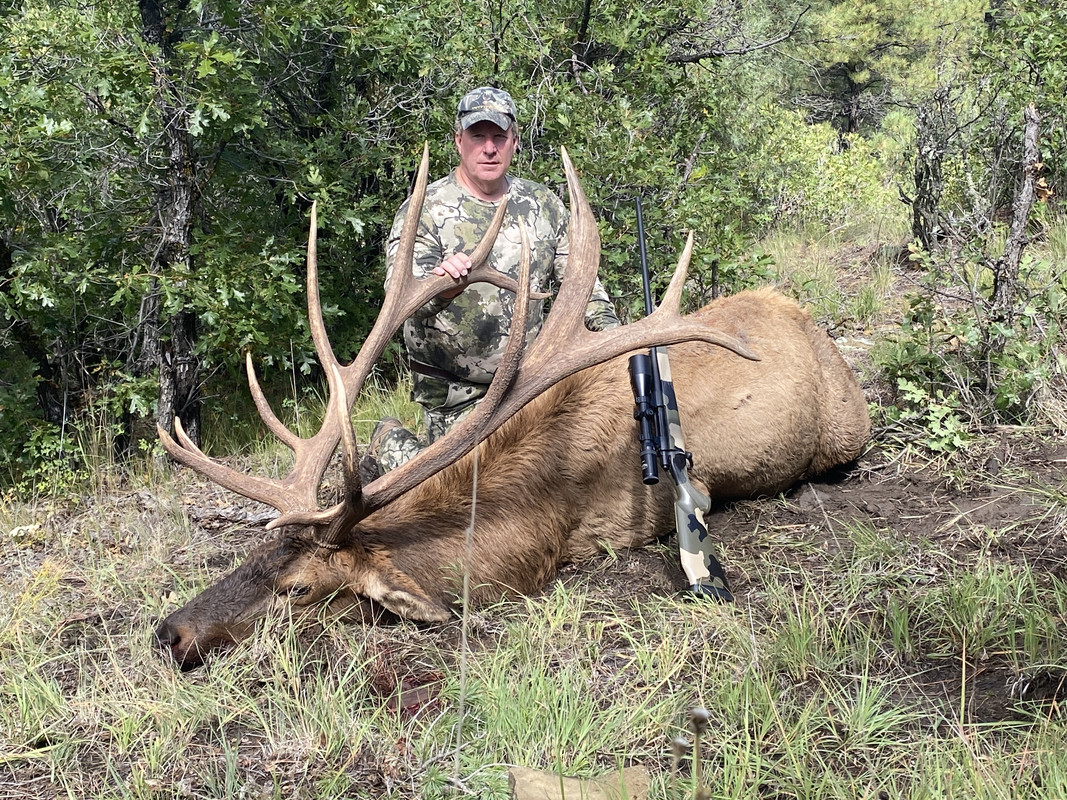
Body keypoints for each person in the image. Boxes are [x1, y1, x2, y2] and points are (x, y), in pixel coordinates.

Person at [368, 86, 620, 474]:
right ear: (458, 141)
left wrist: (616, 340)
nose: (489, 148)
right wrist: (442, 288)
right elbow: (398, 300)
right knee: (456, 491)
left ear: (515, 142)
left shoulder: (543, 205)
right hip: (458, 398)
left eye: (499, 137)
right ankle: (390, 440)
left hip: (532, 387)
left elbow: (584, 287)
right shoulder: (426, 209)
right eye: (477, 136)